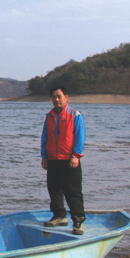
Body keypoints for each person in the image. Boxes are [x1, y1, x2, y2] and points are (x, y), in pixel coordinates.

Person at [41, 85, 86, 235]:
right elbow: (44, 138)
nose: (56, 99)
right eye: (54, 97)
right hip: (53, 159)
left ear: (66, 97)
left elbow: (80, 137)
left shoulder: (75, 114)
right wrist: (44, 156)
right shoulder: (49, 116)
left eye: (59, 96)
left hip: (69, 159)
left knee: (73, 191)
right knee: (54, 189)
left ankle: (78, 221)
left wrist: (76, 155)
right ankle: (59, 216)